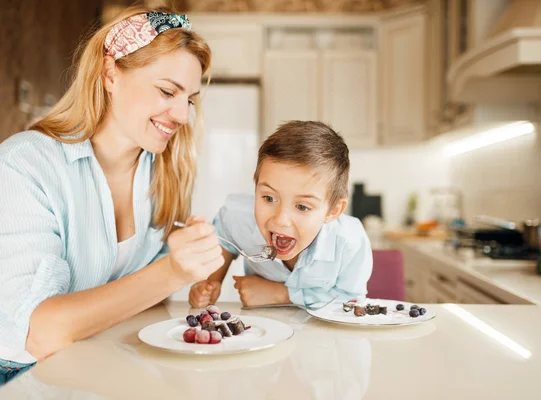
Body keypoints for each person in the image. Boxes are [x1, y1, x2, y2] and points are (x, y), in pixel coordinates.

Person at [0, 6, 224, 382]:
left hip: (98, 364)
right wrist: (171, 271)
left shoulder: (163, 170)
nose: (183, 116)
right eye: (167, 90)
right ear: (109, 73)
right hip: (17, 375)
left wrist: (190, 258)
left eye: (189, 99)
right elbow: (36, 334)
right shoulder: (24, 166)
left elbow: (136, 296)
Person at [189, 121, 373, 308]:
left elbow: (351, 302)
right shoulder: (239, 217)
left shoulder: (349, 242)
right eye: (269, 198)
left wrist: (282, 295)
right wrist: (212, 283)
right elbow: (224, 233)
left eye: (302, 207)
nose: (280, 220)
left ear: (333, 211)